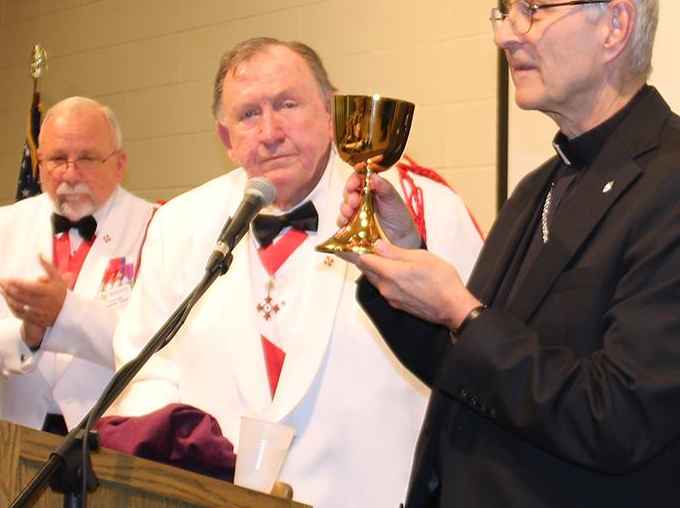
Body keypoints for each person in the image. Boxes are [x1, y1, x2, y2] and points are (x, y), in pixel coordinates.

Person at [338, 0, 680, 507]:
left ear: (615, 25)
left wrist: (462, 310)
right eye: (505, 11)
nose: (506, 36)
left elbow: (619, 418)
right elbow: (468, 372)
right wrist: (401, 265)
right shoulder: (540, 185)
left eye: (532, 9)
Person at [111, 37, 483, 508]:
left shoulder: (423, 209)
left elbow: (476, 366)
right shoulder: (178, 224)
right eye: (248, 114)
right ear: (226, 139)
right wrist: (186, 451)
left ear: (332, 115)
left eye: (288, 104)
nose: (270, 131)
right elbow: (143, 368)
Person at [0, 97, 156, 434]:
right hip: (12, 436)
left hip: (105, 442)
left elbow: (154, 350)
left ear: (119, 164)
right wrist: (25, 335)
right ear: (40, 164)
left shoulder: (155, 226)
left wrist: (65, 312)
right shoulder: (0, 226)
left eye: (87, 158)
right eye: (58, 159)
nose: (70, 174)